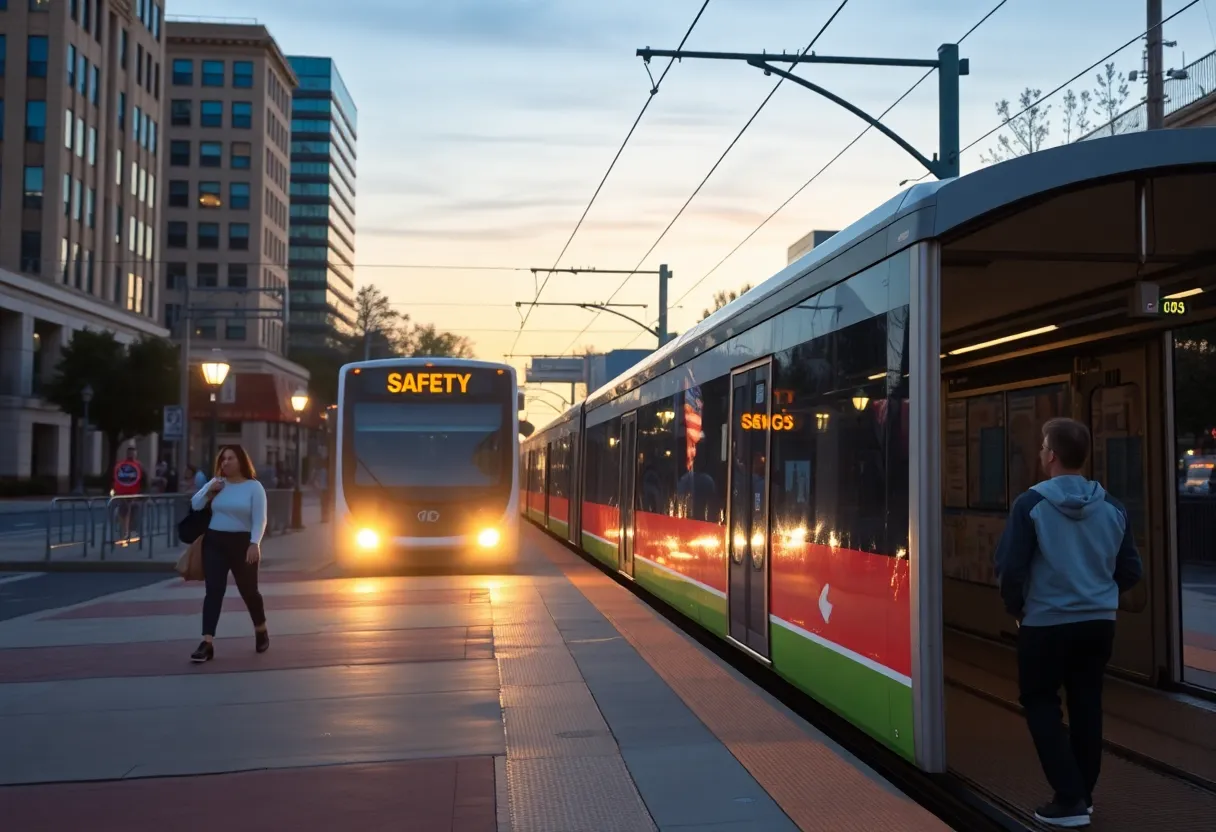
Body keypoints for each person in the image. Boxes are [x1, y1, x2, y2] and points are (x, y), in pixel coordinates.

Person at [994, 417, 1143, 828]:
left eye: (1043, 447)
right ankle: (1085, 793)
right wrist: (1097, 589)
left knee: (1040, 701)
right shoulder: (1113, 507)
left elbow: (1011, 569)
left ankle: (1069, 797)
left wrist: (1018, 608)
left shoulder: (1030, 505)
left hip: (1046, 623)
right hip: (1098, 623)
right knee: (1087, 701)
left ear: (1052, 454)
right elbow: (1131, 569)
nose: (1041, 453)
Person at [189, 444, 270, 663]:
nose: (225, 462)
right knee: (213, 591)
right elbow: (195, 504)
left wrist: (255, 543)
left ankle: (260, 628)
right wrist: (209, 491)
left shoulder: (254, 487)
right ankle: (207, 643)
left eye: (230, 458)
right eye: (222, 459)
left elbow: (260, 518)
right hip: (215, 542)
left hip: (243, 544)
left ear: (241, 461)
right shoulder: (217, 483)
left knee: (249, 591)